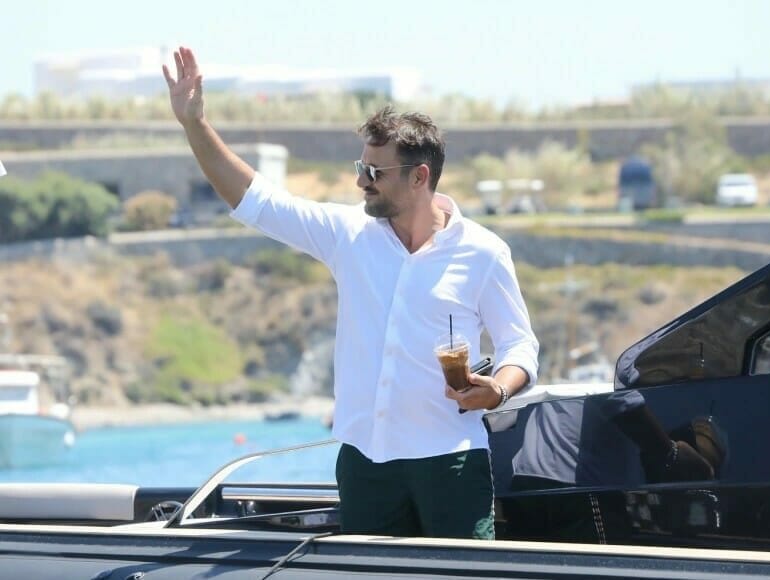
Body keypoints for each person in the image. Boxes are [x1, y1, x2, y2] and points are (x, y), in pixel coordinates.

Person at [162, 47, 539, 540]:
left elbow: (520, 345)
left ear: (419, 176)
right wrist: (195, 124)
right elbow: (257, 201)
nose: (361, 181)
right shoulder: (348, 234)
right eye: (361, 166)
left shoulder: (483, 252)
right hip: (365, 466)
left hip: (450, 463)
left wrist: (498, 389)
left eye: (375, 172)